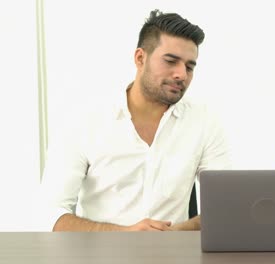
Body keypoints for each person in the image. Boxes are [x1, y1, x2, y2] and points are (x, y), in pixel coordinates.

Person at [40, 9, 231, 231]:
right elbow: (50, 215)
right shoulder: (84, 121)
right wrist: (124, 234)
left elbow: (224, 208)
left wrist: (171, 234)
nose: (181, 74)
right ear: (140, 58)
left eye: (189, 66)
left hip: (173, 255)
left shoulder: (204, 122)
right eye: (171, 61)